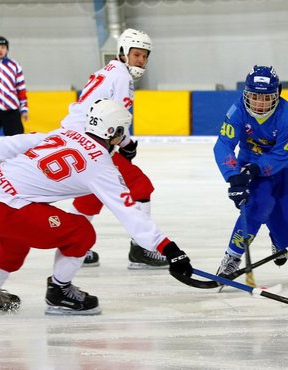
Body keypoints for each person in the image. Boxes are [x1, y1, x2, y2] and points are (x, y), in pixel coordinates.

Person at [0, 99, 193, 314]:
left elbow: (14, 143)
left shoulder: (66, 134)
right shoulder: (101, 166)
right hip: (8, 208)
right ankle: (59, 291)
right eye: (122, 131)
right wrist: (169, 249)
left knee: (13, 243)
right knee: (80, 232)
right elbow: (129, 212)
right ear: (113, 131)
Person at [61, 28, 162, 269]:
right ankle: (142, 249)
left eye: (145, 56)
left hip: (75, 138)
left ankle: (74, 246)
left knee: (91, 194)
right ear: (123, 53)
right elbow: (115, 116)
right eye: (137, 55)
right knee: (139, 185)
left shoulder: (108, 71)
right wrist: (127, 144)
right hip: (89, 141)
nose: (142, 60)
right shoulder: (122, 77)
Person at [213, 65, 288, 277]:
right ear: (246, 94)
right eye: (255, 97)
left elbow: (284, 153)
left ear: (278, 94)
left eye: (266, 97)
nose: (260, 103)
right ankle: (232, 257)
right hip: (250, 164)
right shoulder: (237, 111)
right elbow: (223, 145)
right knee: (257, 206)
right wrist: (234, 177)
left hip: (287, 168)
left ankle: (279, 239)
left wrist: (256, 168)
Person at [0, 36, 28, 148]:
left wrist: (24, 108)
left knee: (17, 141)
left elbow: (21, 88)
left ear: (7, 49)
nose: (0, 50)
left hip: (11, 111)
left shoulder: (14, 65)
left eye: (3, 47)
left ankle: (16, 164)